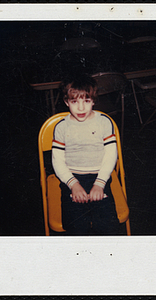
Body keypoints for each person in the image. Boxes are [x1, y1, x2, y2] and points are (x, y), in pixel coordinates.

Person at [52, 74, 119, 235]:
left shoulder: (104, 122)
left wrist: (100, 183)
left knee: (107, 226)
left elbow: (111, 155)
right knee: (76, 227)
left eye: (86, 101)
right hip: (71, 177)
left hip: (100, 176)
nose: (81, 108)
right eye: (75, 101)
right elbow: (57, 161)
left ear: (94, 101)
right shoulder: (61, 127)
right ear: (67, 102)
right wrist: (73, 184)